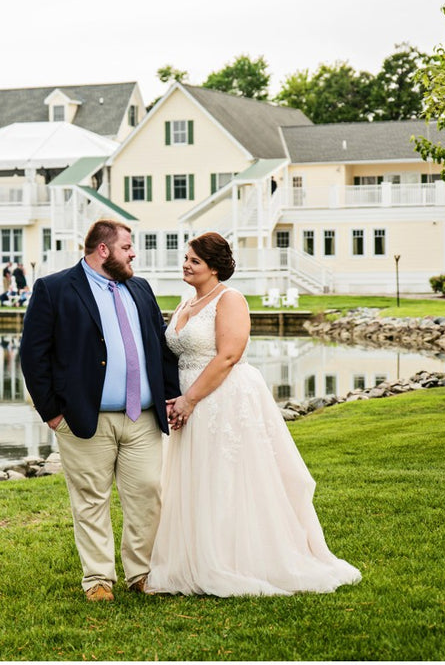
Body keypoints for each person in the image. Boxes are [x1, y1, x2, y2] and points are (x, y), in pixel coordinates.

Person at [149, 232, 362, 597]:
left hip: (221, 399)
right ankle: (190, 557)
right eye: (186, 258)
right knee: (195, 479)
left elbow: (228, 356)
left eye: (194, 261)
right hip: (188, 400)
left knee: (226, 479)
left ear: (214, 268)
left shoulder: (230, 300)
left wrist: (190, 400)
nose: (185, 264)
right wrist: (174, 397)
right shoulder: (187, 302)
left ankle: (235, 560)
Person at [20, 219, 181, 602]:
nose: (133, 254)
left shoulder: (140, 288)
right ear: (103, 250)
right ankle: (97, 580)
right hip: (83, 418)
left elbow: (158, 348)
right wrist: (53, 414)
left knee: (147, 492)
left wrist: (170, 397)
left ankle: (141, 574)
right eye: (127, 247)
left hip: (142, 417)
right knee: (91, 499)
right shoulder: (55, 288)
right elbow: (33, 355)